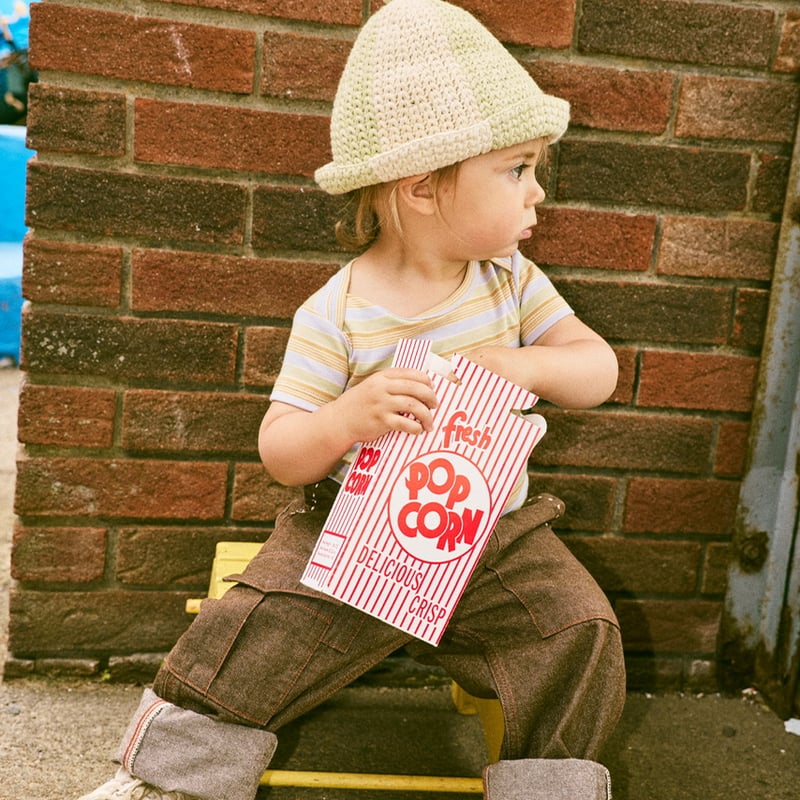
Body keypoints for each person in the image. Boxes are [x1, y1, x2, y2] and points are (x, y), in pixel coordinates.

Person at [78, 1, 625, 798]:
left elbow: (596, 370)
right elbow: (280, 450)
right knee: (251, 627)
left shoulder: (512, 282)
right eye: (517, 169)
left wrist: (526, 365)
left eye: (535, 167)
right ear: (422, 189)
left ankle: (550, 787)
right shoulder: (337, 310)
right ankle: (170, 778)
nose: (537, 192)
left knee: (578, 628)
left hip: (493, 536)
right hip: (351, 533)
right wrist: (345, 418)